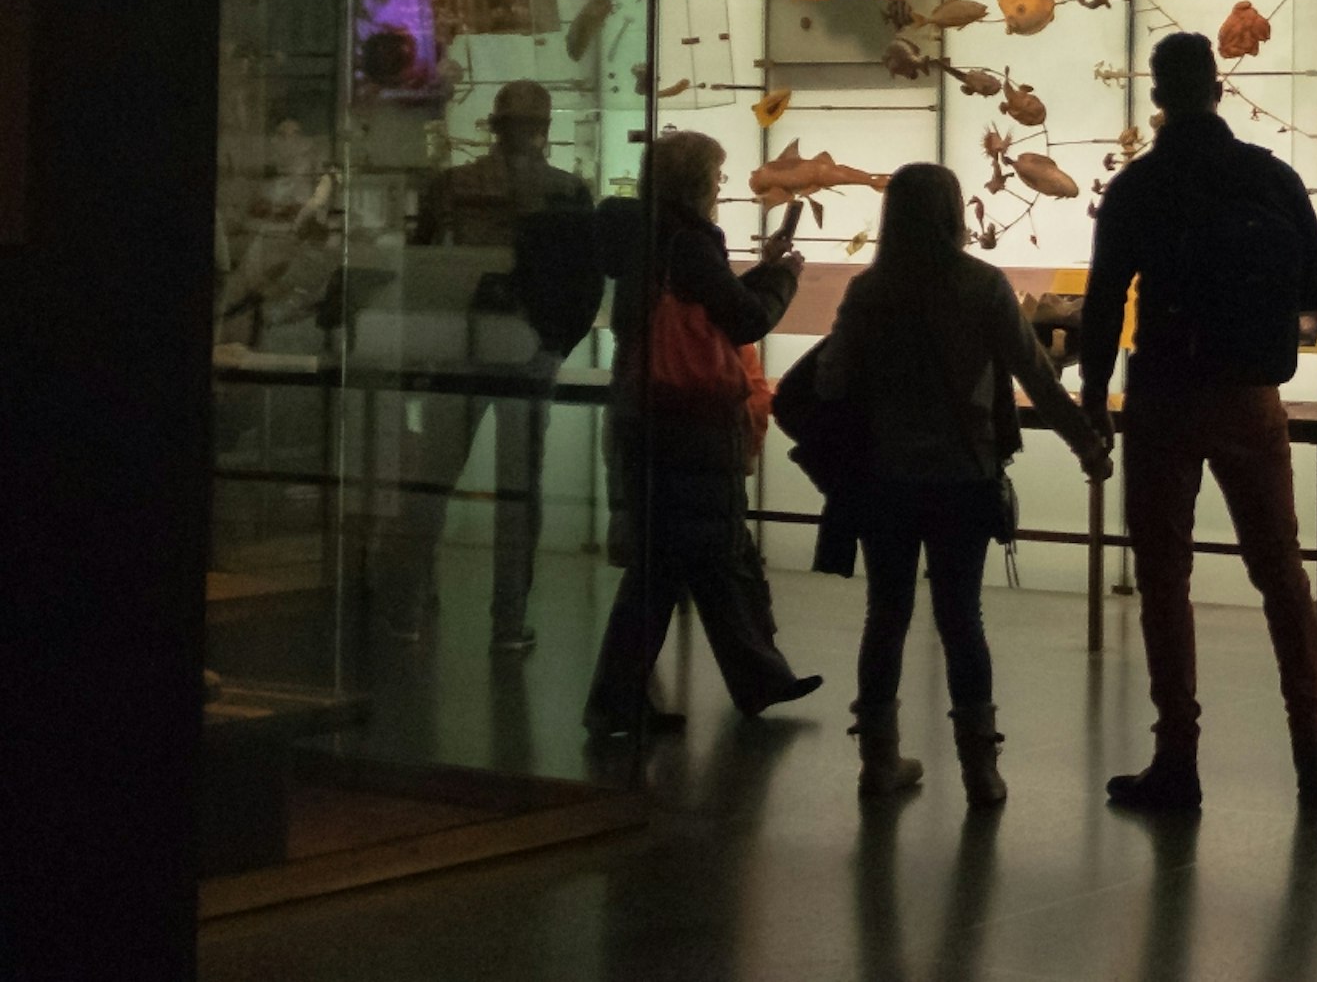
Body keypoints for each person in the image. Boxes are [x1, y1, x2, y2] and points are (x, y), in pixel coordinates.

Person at [1082, 31, 1317, 813]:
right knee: (1281, 575)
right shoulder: (1267, 175)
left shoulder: (1140, 185)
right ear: (1217, 88)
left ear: (1158, 96)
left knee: (1165, 578)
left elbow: (1102, 303)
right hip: (1250, 396)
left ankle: (1179, 758)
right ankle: (1313, 752)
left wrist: (1095, 400)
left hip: (1163, 395)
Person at [808, 162, 1109, 803]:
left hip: (884, 476)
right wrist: (1087, 444)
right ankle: (980, 769)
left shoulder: (870, 291)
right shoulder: (981, 286)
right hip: (962, 475)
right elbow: (1035, 375)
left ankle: (878, 763)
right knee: (960, 617)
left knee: (885, 615)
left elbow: (832, 380)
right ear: (952, 214)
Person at [582, 129, 822, 735]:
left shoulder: (644, 236)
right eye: (715, 177)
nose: (721, 188)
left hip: (645, 412)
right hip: (691, 421)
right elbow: (744, 319)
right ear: (695, 182)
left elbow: (701, 308)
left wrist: (756, 272)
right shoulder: (690, 242)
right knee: (703, 554)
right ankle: (738, 682)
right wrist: (782, 276)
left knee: (671, 561)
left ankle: (737, 682)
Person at [376, 79, 605, 650]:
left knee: (429, 485)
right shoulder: (567, 192)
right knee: (517, 492)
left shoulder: (450, 186)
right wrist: (555, 345)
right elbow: (586, 284)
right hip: (527, 354)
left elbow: (421, 270)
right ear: (544, 130)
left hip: (456, 349)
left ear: (495, 127)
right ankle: (506, 623)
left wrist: (424, 344)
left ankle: (404, 614)